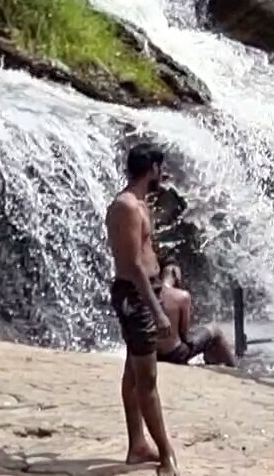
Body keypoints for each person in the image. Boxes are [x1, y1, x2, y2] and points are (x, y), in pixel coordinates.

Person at [105, 142, 180, 476]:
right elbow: (133, 264)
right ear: (150, 168)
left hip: (142, 292)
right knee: (147, 379)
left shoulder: (137, 203)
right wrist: (158, 309)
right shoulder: (127, 207)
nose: (162, 174)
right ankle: (167, 455)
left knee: (132, 372)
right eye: (159, 168)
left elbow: (145, 256)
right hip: (136, 296)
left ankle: (138, 445)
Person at [156, 264, 237, 368]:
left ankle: (212, 360)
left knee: (201, 335)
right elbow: (185, 335)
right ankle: (233, 367)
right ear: (176, 275)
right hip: (175, 354)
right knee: (214, 330)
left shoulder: (151, 294)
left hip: (154, 354)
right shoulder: (182, 296)